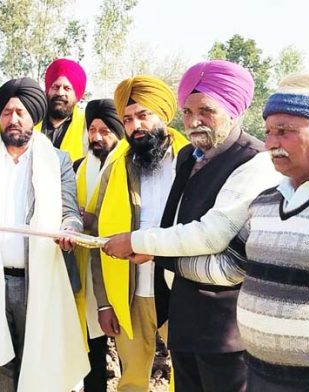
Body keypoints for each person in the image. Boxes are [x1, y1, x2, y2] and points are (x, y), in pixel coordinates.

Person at [102, 60, 280, 392]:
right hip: (183, 317)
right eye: (187, 111)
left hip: (227, 330)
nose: (194, 120)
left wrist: (140, 243)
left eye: (206, 111)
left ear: (233, 110)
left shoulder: (255, 161)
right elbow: (174, 223)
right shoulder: (190, 156)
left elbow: (210, 233)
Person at [0, 77, 89, 391]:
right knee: (0, 375)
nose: (13, 119)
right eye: (6, 112)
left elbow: (70, 212)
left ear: (34, 116)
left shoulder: (56, 161)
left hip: (40, 282)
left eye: (21, 112)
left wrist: (70, 229)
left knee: (41, 372)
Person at [237, 74, 309, 391]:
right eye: (269, 132)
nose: (270, 143)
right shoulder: (266, 202)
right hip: (259, 376)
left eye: (283, 132)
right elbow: (232, 265)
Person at [90, 77, 188, 392]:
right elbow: (98, 236)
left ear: (164, 114)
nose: (136, 126)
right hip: (130, 293)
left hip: (182, 287)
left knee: (190, 375)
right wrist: (105, 304)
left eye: (143, 115)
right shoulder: (116, 167)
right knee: (131, 381)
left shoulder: (192, 160)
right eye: (128, 119)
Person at [71, 99, 124, 392]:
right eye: (92, 129)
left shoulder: (128, 165)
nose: (97, 137)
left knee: (129, 350)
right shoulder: (80, 167)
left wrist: (94, 219)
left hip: (123, 272)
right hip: (87, 269)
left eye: (105, 130)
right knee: (91, 345)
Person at [40, 58, 89, 162]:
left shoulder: (87, 127)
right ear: (48, 90)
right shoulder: (31, 120)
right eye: (56, 87)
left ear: (77, 95)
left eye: (67, 88)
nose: (60, 93)